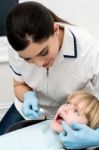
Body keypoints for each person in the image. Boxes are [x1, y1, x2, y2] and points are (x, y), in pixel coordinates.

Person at [0, 1, 99, 149]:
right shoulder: (17, 48)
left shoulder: (88, 49)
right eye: (28, 59)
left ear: (55, 29)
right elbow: (19, 84)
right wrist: (27, 96)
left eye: (43, 52)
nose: (39, 64)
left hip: (66, 118)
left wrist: (96, 137)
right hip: (28, 111)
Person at [4, 91, 99, 150]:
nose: (65, 108)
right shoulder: (18, 128)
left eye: (76, 111)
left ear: (89, 127)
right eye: (68, 103)